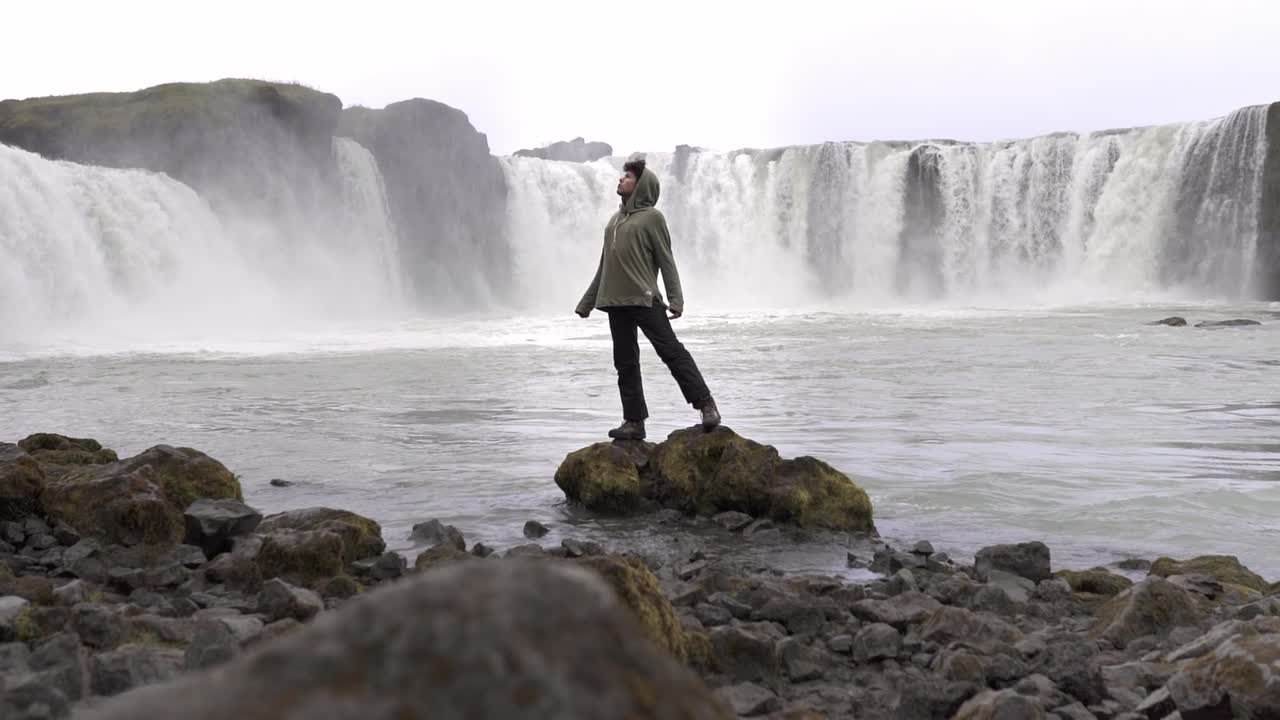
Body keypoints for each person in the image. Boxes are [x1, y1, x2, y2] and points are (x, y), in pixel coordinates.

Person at [575, 154, 720, 441]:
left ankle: (706, 405)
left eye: (628, 177)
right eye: (623, 175)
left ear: (641, 186)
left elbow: (666, 260)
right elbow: (605, 265)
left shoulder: (652, 218)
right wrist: (587, 301)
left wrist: (676, 299)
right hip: (614, 302)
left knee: (672, 352)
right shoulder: (614, 221)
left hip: (644, 299)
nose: (621, 179)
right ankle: (634, 422)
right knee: (625, 363)